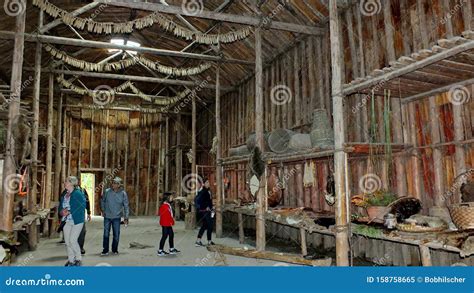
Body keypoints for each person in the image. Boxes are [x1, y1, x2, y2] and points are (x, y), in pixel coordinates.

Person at [59, 176, 86, 266]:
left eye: (66, 181)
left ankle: (78, 259)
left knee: (73, 240)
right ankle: (71, 260)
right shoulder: (64, 194)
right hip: (67, 221)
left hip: (77, 220)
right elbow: (60, 206)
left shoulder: (78, 193)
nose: (64, 182)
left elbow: (82, 206)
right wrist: (62, 212)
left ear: (71, 183)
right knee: (67, 242)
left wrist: (69, 211)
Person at [100, 177, 129, 256]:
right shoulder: (107, 192)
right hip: (107, 216)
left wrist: (126, 217)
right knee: (106, 234)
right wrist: (103, 210)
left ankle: (114, 249)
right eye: (112, 183)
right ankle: (105, 250)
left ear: (119, 185)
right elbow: (102, 200)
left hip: (117, 217)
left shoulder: (123, 194)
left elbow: (126, 206)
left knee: (116, 234)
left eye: (115, 183)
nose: (113, 184)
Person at [59, 185, 91, 254]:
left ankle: (80, 248)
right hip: (68, 217)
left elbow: (87, 201)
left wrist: (88, 212)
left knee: (82, 232)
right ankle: (72, 252)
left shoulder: (82, 190)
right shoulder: (65, 192)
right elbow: (61, 203)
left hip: (79, 216)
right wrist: (61, 212)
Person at [157, 192, 180, 256]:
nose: (172, 198)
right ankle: (160, 250)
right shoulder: (164, 206)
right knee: (164, 236)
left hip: (168, 224)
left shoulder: (167, 205)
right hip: (165, 224)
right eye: (171, 197)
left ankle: (171, 249)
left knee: (171, 235)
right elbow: (166, 216)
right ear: (167, 198)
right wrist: (171, 221)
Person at [195, 179, 215, 247]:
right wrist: (205, 207)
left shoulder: (207, 191)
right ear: (203, 184)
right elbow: (198, 201)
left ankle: (198, 241)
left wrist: (212, 207)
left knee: (204, 226)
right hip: (204, 212)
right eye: (207, 182)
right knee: (210, 225)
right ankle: (209, 241)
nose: (208, 183)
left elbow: (208, 201)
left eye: (208, 182)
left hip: (208, 211)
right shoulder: (203, 191)